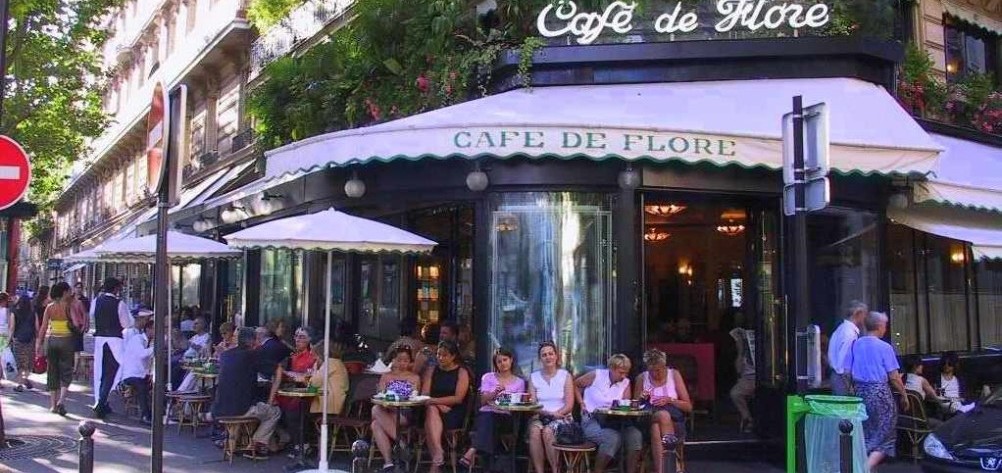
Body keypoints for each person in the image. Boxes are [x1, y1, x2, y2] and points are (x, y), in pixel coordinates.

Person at [211, 327, 285, 459]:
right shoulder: (253, 354)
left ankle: (250, 441)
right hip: (241, 408)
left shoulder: (225, 355)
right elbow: (278, 369)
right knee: (274, 412)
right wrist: (270, 399)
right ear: (254, 341)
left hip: (219, 408)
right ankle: (256, 445)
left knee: (261, 407)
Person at [849, 311, 909, 470]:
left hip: (860, 392)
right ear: (880, 326)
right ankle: (863, 469)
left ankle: (865, 466)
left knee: (867, 433)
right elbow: (894, 377)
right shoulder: (885, 347)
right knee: (885, 436)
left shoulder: (857, 344)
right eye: (885, 326)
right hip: (879, 393)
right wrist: (904, 395)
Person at [460, 347, 526, 469]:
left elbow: (517, 402)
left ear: (511, 360)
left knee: (491, 421)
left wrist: (501, 403)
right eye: (499, 361)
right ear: (495, 364)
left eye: (505, 360)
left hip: (505, 416)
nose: (503, 364)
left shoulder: (519, 382)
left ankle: (472, 450)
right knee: (489, 418)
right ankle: (491, 466)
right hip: (486, 415)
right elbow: (483, 401)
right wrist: (495, 392)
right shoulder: (488, 377)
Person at [575, 354, 642, 473]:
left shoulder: (626, 383)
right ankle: (598, 471)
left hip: (615, 420)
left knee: (635, 436)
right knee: (612, 438)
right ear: (611, 368)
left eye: (626, 372)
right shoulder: (596, 375)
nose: (624, 376)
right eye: (621, 372)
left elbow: (625, 405)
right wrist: (581, 403)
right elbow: (575, 384)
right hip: (592, 419)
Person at [635, 349, 692, 473]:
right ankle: (673, 466)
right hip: (647, 417)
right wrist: (641, 398)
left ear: (664, 366)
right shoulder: (642, 378)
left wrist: (670, 400)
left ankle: (661, 470)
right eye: (651, 371)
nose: (655, 374)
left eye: (658, 370)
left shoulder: (674, 375)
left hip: (674, 423)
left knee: (656, 427)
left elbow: (688, 407)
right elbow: (634, 407)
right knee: (663, 415)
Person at [268, 327, 319, 457]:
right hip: (290, 392)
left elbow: (312, 377)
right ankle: (289, 439)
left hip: (309, 394)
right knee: (272, 406)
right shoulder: (292, 356)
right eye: (296, 336)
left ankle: (303, 445)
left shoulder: (313, 356)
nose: (297, 339)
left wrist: (294, 376)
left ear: (309, 340)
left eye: (301, 337)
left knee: (293, 409)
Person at [371, 345, 422, 473]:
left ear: (410, 362)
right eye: (399, 360)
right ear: (393, 360)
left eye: (406, 360)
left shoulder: (414, 377)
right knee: (375, 417)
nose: (402, 363)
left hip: (404, 411)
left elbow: (414, 396)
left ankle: (390, 460)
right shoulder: (386, 377)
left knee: (376, 419)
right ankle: (397, 450)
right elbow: (381, 394)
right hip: (387, 410)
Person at [421, 340, 470, 473]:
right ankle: (438, 452)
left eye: (444, 355)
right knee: (431, 412)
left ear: (453, 356)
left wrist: (436, 402)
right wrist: (438, 404)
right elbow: (425, 394)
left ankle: (436, 460)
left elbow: (458, 398)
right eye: (438, 354)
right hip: (433, 408)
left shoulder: (461, 372)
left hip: (453, 411)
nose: (440, 358)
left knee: (429, 420)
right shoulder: (432, 370)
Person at [527, 341, 574, 473]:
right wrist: (549, 414)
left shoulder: (565, 376)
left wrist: (556, 414)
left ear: (556, 356)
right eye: (544, 355)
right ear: (540, 359)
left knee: (548, 431)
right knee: (535, 432)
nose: (548, 357)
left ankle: (555, 470)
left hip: (562, 417)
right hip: (540, 415)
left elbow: (569, 404)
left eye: (550, 354)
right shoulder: (533, 377)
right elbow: (533, 405)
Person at [91, 277, 134, 418]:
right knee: (112, 372)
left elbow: (92, 316)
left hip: (100, 340)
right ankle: (102, 402)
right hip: (115, 340)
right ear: (116, 288)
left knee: (100, 372)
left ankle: (101, 400)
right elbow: (126, 323)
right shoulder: (119, 303)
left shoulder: (96, 301)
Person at [35, 282, 79, 416]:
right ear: (64, 292)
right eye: (68, 291)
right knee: (66, 371)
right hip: (66, 340)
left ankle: (53, 405)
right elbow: (76, 323)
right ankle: (61, 401)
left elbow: (43, 326)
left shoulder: (49, 307)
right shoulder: (69, 306)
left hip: (52, 340)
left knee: (52, 371)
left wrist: (39, 343)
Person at [828, 301, 868, 396]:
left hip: (837, 376)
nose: (865, 318)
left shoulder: (841, 329)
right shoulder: (850, 333)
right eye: (864, 314)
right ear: (858, 314)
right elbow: (844, 363)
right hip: (843, 379)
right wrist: (850, 387)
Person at [121, 319, 154, 424]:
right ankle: (145, 415)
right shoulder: (137, 339)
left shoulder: (149, 342)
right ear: (148, 329)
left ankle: (158, 412)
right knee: (141, 386)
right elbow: (142, 354)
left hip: (142, 374)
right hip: (131, 374)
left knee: (158, 384)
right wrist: (156, 347)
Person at [729, 327, 756, 432]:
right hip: (747, 379)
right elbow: (738, 370)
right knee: (735, 393)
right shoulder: (742, 355)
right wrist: (740, 352)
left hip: (761, 378)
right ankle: (747, 418)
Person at [9, 293, 37, 391]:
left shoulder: (14, 312)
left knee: (19, 362)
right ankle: (25, 379)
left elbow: (12, 327)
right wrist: (38, 340)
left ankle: (20, 384)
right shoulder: (33, 312)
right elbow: (37, 327)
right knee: (28, 362)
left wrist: (9, 340)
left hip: (18, 340)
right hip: (30, 340)